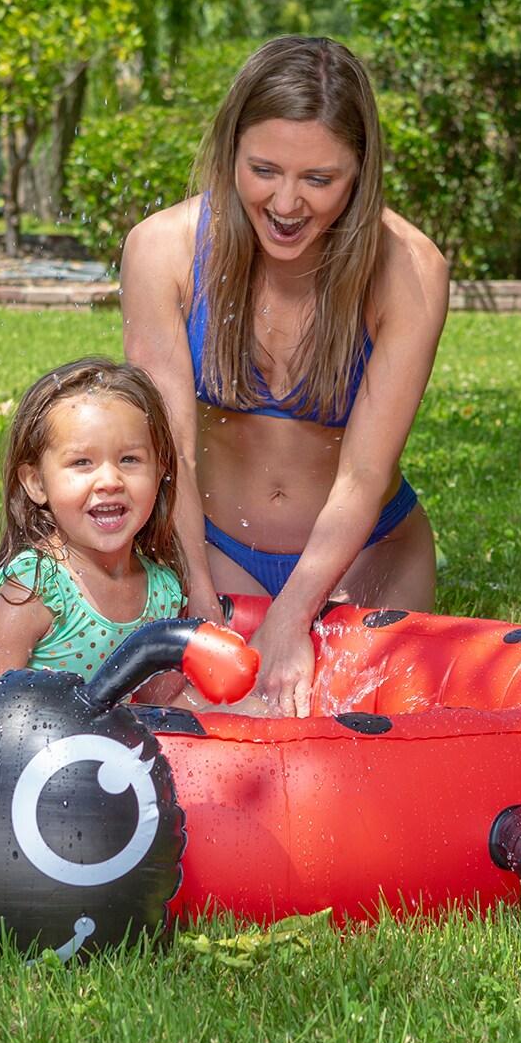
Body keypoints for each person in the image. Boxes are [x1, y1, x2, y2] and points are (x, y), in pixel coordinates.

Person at [122, 36, 450, 717]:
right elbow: (169, 451)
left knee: (347, 757)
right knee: (202, 739)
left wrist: (293, 615)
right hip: (215, 553)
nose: (287, 203)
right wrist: (198, 599)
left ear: (360, 172)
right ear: (230, 151)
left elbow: (363, 474)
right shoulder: (164, 250)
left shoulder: (408, 271)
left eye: (319, 179)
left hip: (369, 557)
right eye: (264, 169)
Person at [0, 357, 188, 689]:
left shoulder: (162, 593)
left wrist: (250, 714)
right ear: (37, 482)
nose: (110, 480)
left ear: (159, 471)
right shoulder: (38, 585)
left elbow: (166, 706)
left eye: (130, 459)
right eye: (82, 462)